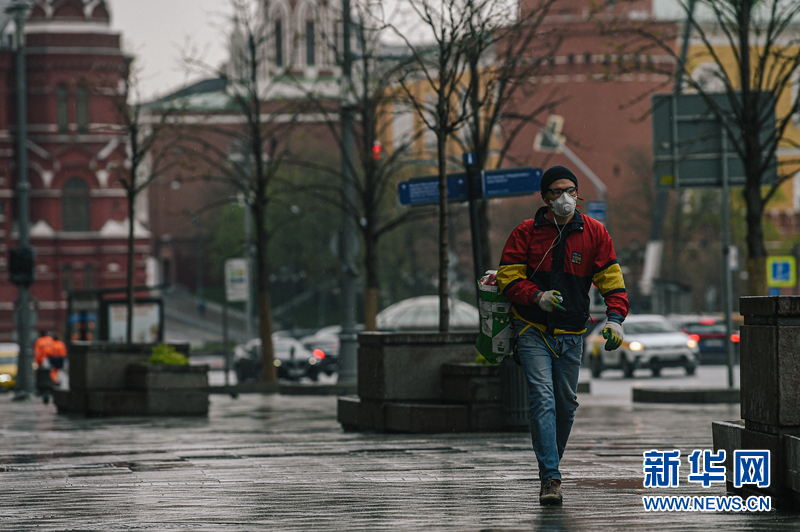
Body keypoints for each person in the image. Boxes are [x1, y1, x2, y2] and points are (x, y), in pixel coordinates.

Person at [497, 165, 629, 505]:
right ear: (545, 197)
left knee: (566, 405)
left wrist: (615, 319)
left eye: (571, 190)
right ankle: (551, 478)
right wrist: (536, 296)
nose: (565, 197)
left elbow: (612, 281)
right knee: (543, 399)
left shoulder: (595, 233)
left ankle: (549, 465)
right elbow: (508, 278)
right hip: (532, 330)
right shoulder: (526, 233)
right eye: (557, 191)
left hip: (571, 334)